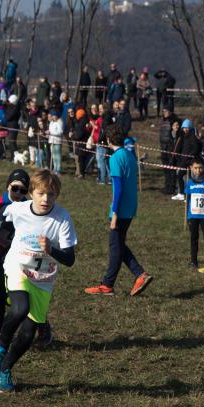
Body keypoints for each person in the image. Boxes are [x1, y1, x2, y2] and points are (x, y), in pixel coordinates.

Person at [0, 170, 77, 392]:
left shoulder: (62, 218)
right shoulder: (19, 209)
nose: (46, 199)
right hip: (18, 267)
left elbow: (70, 259)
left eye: (51, 195)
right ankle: (0, 348)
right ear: (32, 193)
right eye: (41, 193)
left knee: (28, 332)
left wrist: (51, 249)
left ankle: (5, 369)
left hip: (43, 279)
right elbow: (2, 215)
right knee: (20, 308)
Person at [85, 125, 153, 296]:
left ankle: (108, 285)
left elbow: (118, 188)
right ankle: (139, 275)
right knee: (119, 244)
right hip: (130, 207)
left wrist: (114, 212)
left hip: (120, 209)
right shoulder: (129, 155)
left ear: (108, 140)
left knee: (115, 246)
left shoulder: (115, 158)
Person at [0, 169, 31, 335]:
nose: (18, 193)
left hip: (20, 257)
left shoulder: (29, 206)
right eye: (15, 188)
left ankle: (42, 327)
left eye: (23, 190)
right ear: (8, 186)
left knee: (25, 293)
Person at [185, 158, 204, 269]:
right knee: (194, 238)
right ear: (191, 168)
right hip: (193, 215)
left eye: (200, 168)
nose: (198, 170)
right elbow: (187, 199)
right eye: (196, 168)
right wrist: (187, 216)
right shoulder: (189, 182)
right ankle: (194, 261)